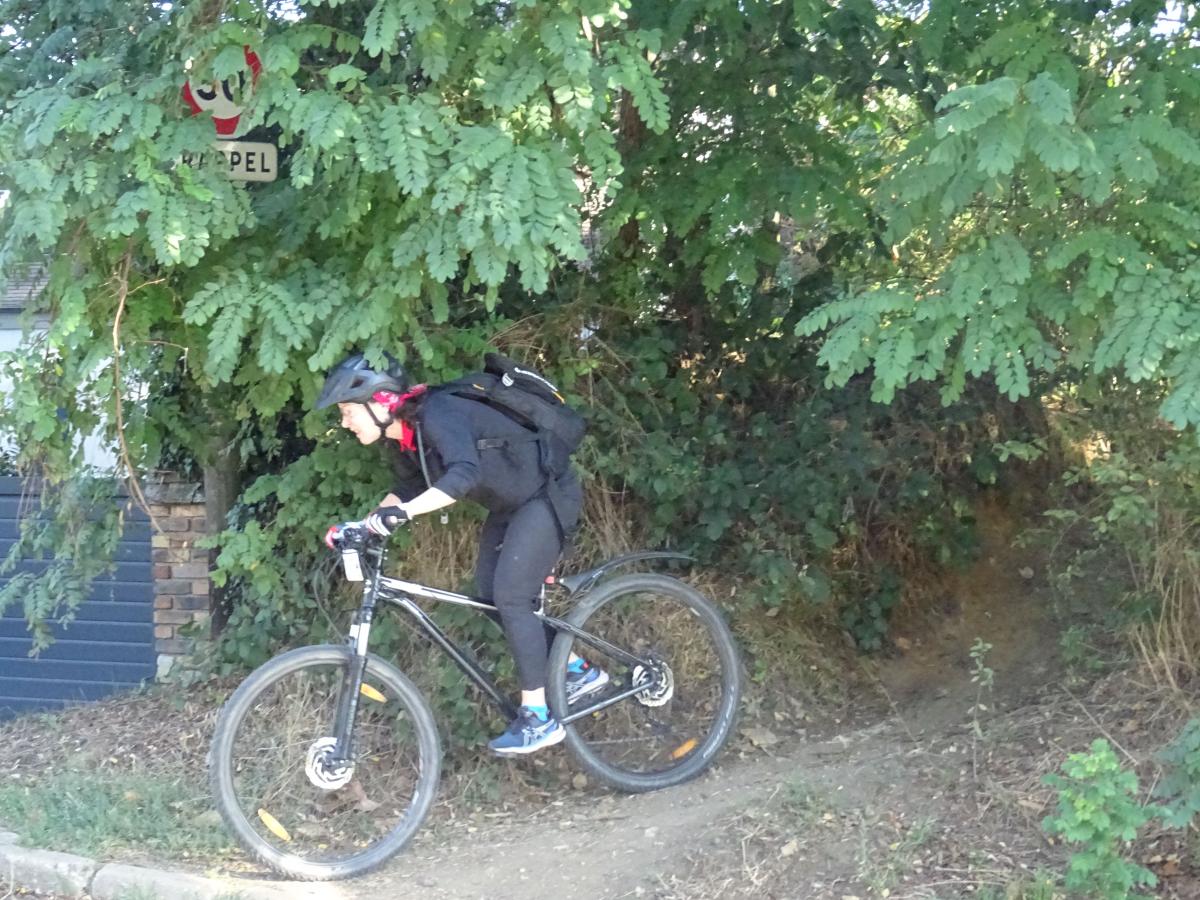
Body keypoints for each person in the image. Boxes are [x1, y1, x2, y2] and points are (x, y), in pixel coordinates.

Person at [316, 352, 608, 755]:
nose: (345, 422)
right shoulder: (407, 439)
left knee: (511, 596)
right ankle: (576, 668)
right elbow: (408, 489)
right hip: (511, 505)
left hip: (546, 495)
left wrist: (403, 515)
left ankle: (538, 718)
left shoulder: (439, 413)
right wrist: (362, 526)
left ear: (380, 403)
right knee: (488, 595)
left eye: (349, 411)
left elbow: (463, 474)